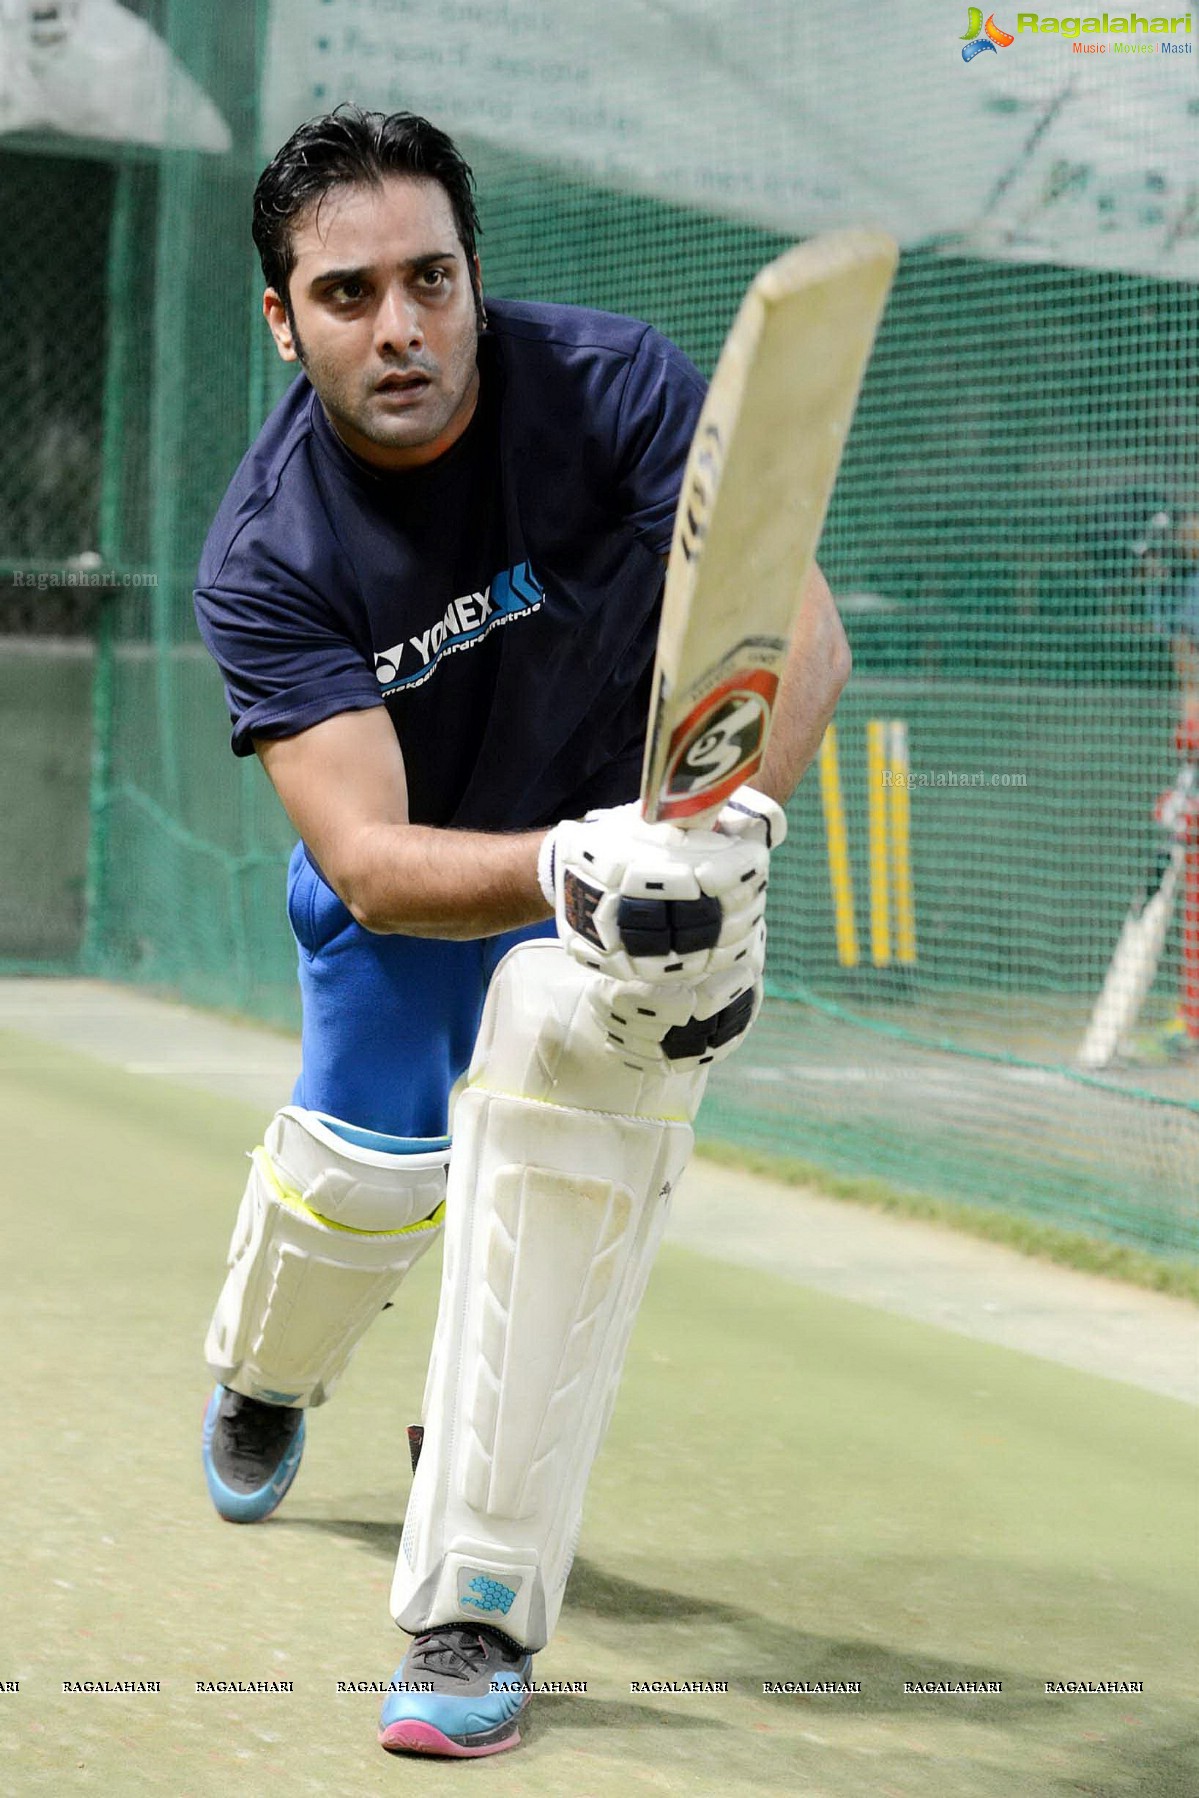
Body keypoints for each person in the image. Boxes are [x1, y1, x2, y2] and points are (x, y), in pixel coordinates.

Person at [193, 105, 851, 1759]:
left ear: (479, 280)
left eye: (432, 278)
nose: (400, 327)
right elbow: (365, 857)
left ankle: (473, 1601)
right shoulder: (269, 550)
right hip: (441, 885)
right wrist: (580, 863)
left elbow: (801, 635)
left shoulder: (616, 387)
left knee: (563, 1152)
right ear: (285, 320)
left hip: (618, 883)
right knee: (361, 1178)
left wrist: (727, 841)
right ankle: (265, 1370)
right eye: (348, 295)